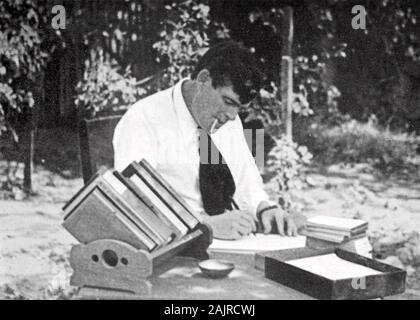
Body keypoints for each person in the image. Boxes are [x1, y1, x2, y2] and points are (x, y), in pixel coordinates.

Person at [113, 41, 298, 240]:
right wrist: (204, 225)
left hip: (230, 242)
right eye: (228, 102)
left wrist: (264, 208)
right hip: (175, 245)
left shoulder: (223, 120)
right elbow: (134, 201)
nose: (231, 116)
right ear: (203, 79)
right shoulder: (144, 119)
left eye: (239, 108)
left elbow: (247, 180)